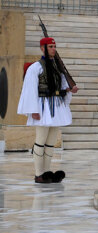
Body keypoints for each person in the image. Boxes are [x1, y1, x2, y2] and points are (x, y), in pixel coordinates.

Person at [17, 37, 78, 183]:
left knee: (50, 142)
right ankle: (39, 174)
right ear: (42, 48)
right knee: (40, 141)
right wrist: (33, 110)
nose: (53, 49)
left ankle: (47, 172)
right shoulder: (35, 68)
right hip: (42, 107)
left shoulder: (57, 67)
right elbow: (30, 90)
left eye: (54, 46)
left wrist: (69, 89)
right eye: (50, 46)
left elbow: (62, 86)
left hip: (56, 106)